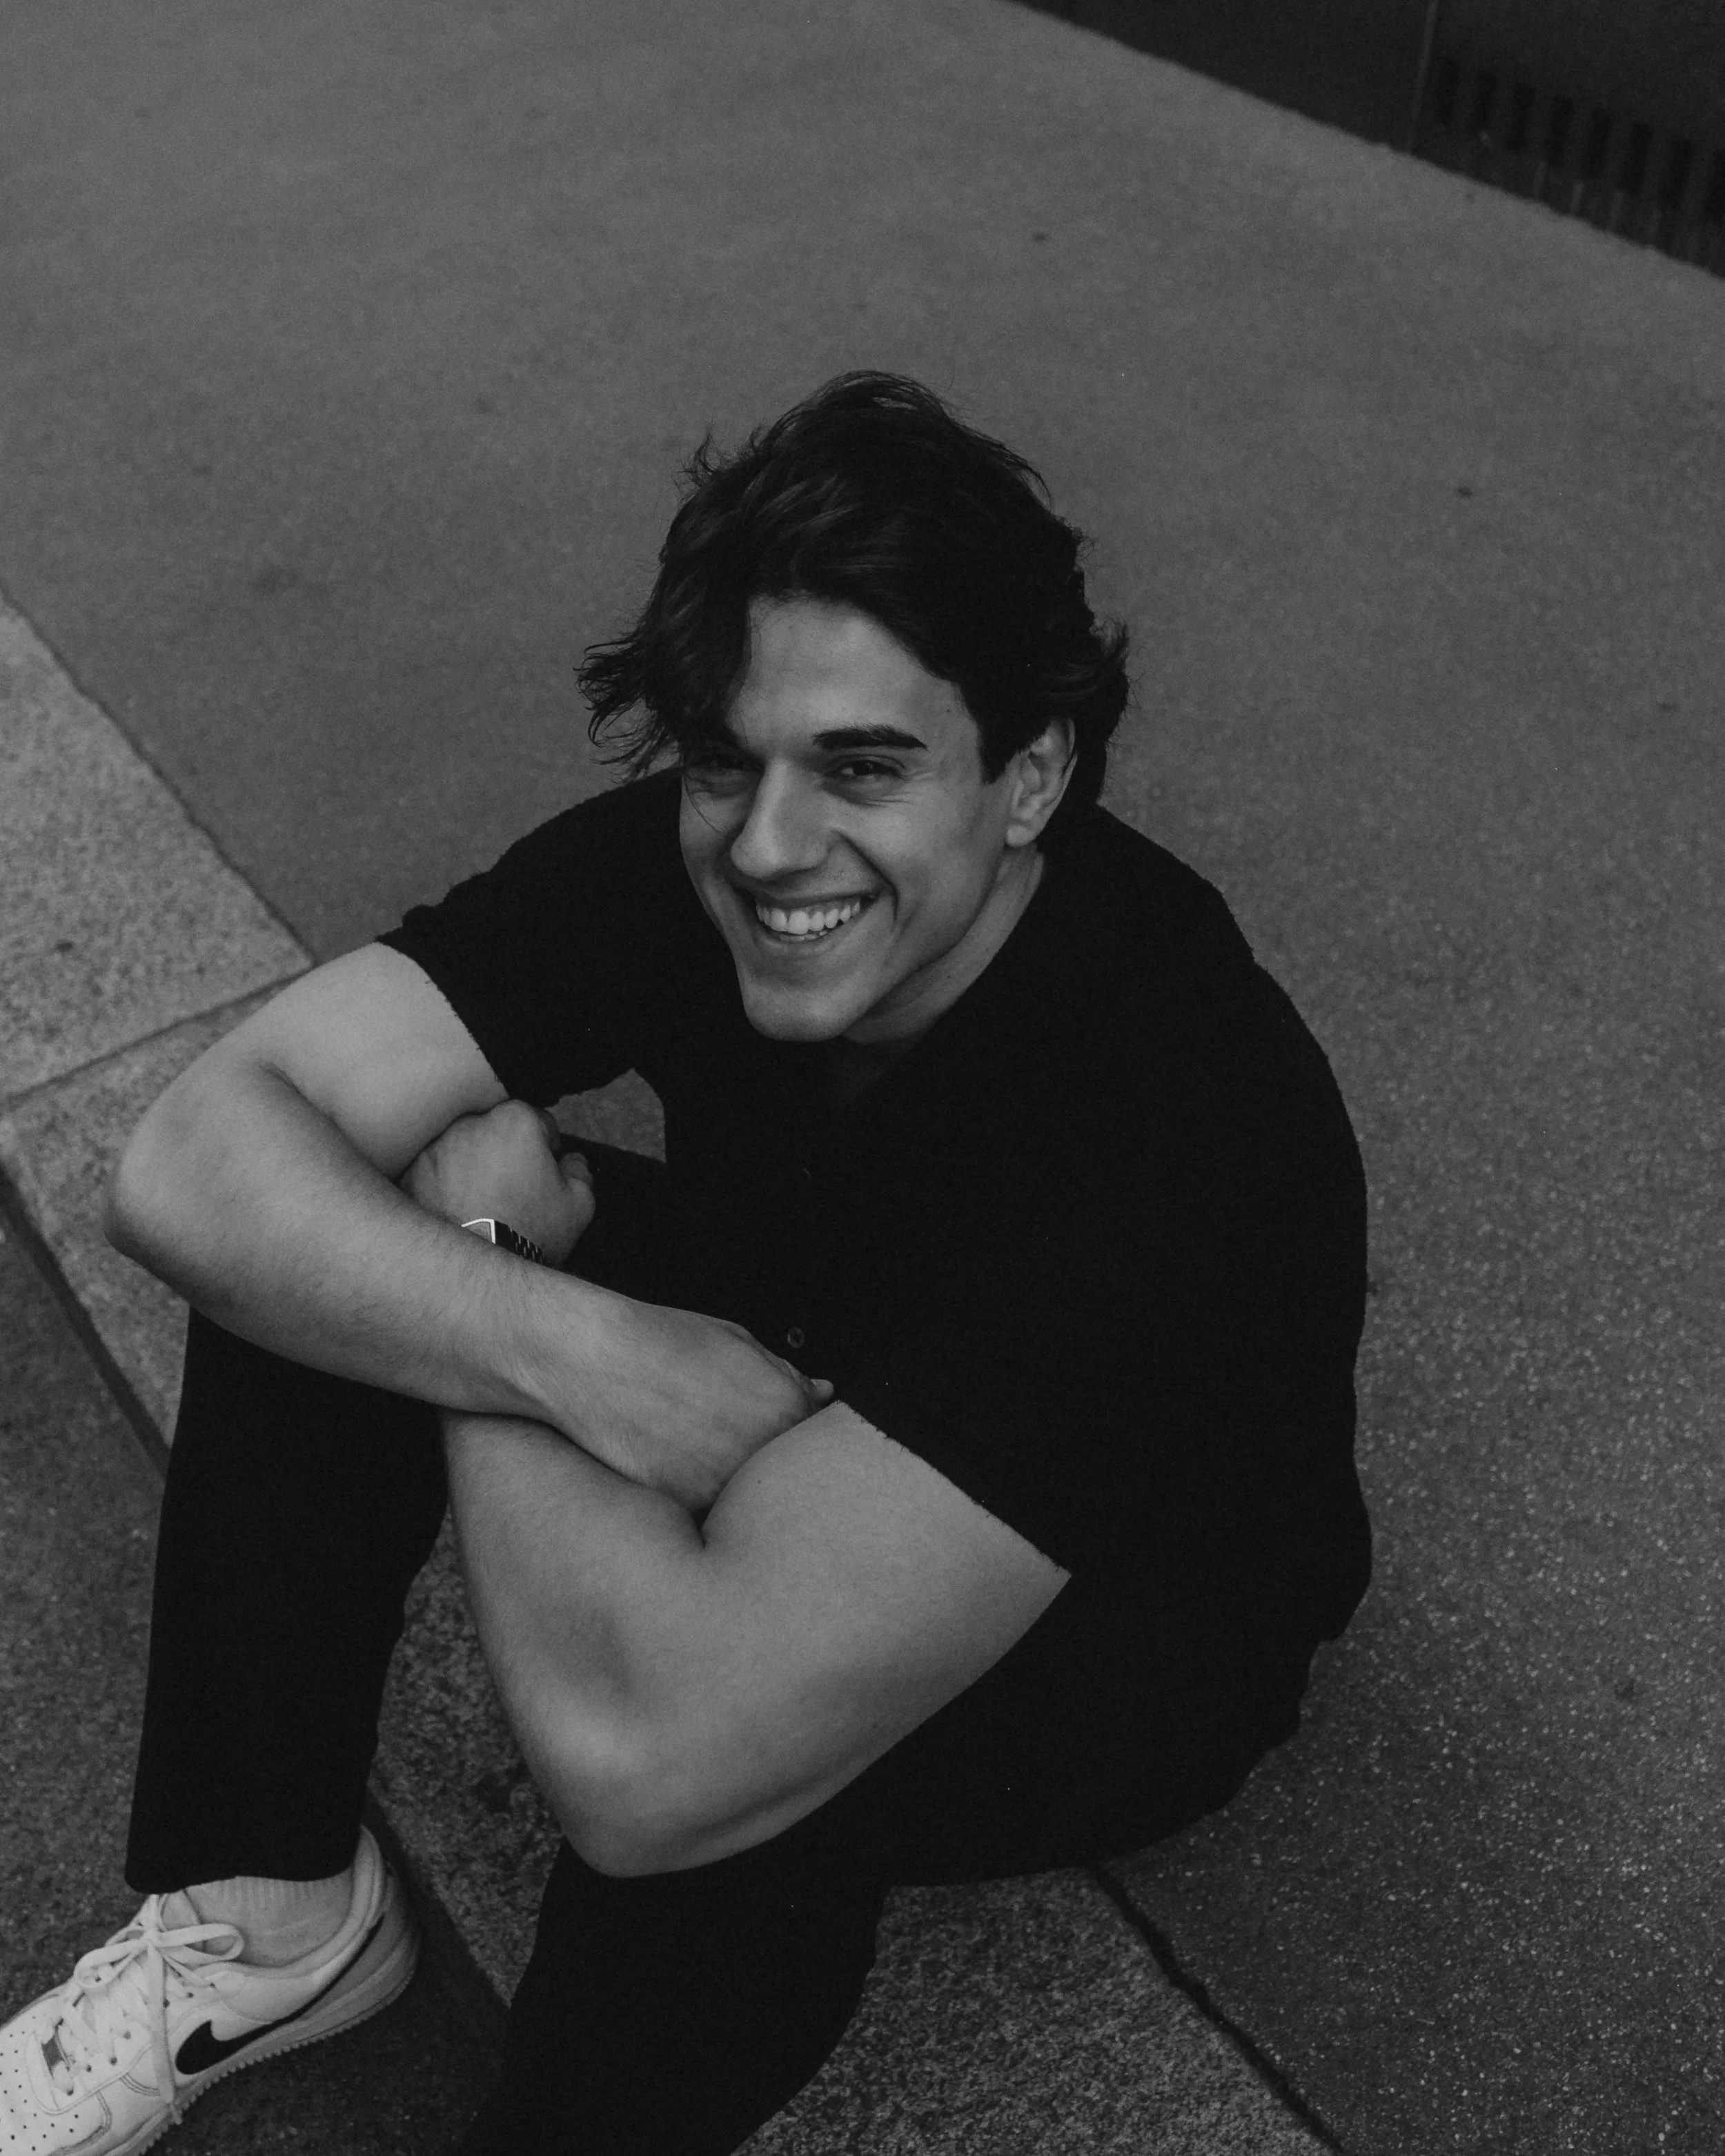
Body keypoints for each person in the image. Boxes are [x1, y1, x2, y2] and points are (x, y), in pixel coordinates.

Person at [0, 373, 1371, 2155]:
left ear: (1028, 772)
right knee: (329, 1216)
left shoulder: (1162, 1122)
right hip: (808, 1330)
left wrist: (496, 1280)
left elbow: (644, 1770)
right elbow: (193, 1152)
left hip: (1120, 1604)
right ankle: (272, 1922)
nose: (772, 840)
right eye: (731, 755)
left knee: (743, 1793)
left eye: (865, 766)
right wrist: (569, 1342)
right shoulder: (703, 859)